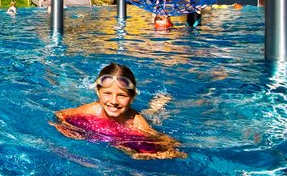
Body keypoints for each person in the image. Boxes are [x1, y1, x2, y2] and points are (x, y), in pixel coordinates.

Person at [53, 63, 187, 160]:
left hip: (136, 121)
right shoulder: (92, 110)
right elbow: (60, 114)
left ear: (132, 97)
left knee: (152, 115)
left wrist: (156, 155)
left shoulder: (136, 123)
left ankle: (157, 104)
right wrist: (66, 128)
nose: (114, 101)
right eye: (107, 93)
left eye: (122, 95)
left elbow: (170, 145)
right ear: (98, 93)